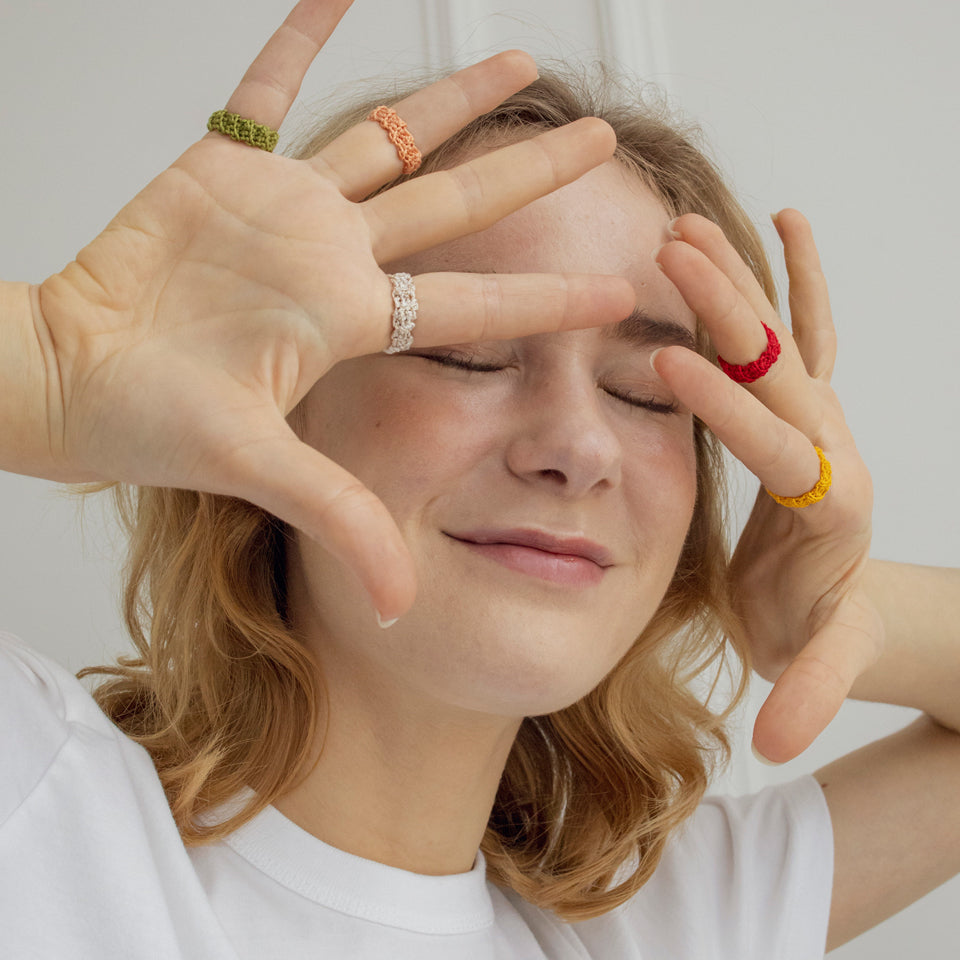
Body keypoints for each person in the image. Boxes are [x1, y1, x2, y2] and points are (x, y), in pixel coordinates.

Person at [1, 0, 958, 957]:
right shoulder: (46, 811)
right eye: (470, 356)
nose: (577, 447)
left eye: (645, 393)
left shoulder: (665, 925)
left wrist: (822, 608)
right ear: (282, 407)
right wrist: (51, 362)